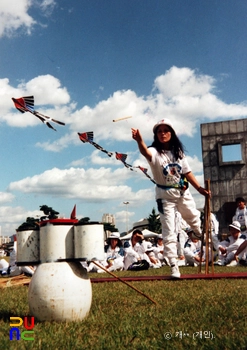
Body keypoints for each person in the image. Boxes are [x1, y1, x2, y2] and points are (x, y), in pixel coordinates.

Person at [131, 119, 210, 278]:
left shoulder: (178, 153)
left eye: (166, 130)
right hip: (165, 196)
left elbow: (187, 172)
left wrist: (200, 189)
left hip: (182, 191)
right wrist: (139, 140)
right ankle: (174, 265)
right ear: (156, 135)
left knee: (193, 216)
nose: (162, 134)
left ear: (171, 133)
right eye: (159, 131)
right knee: (169, 230)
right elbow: (145, 152)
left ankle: (201, 233)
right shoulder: (154, 151)